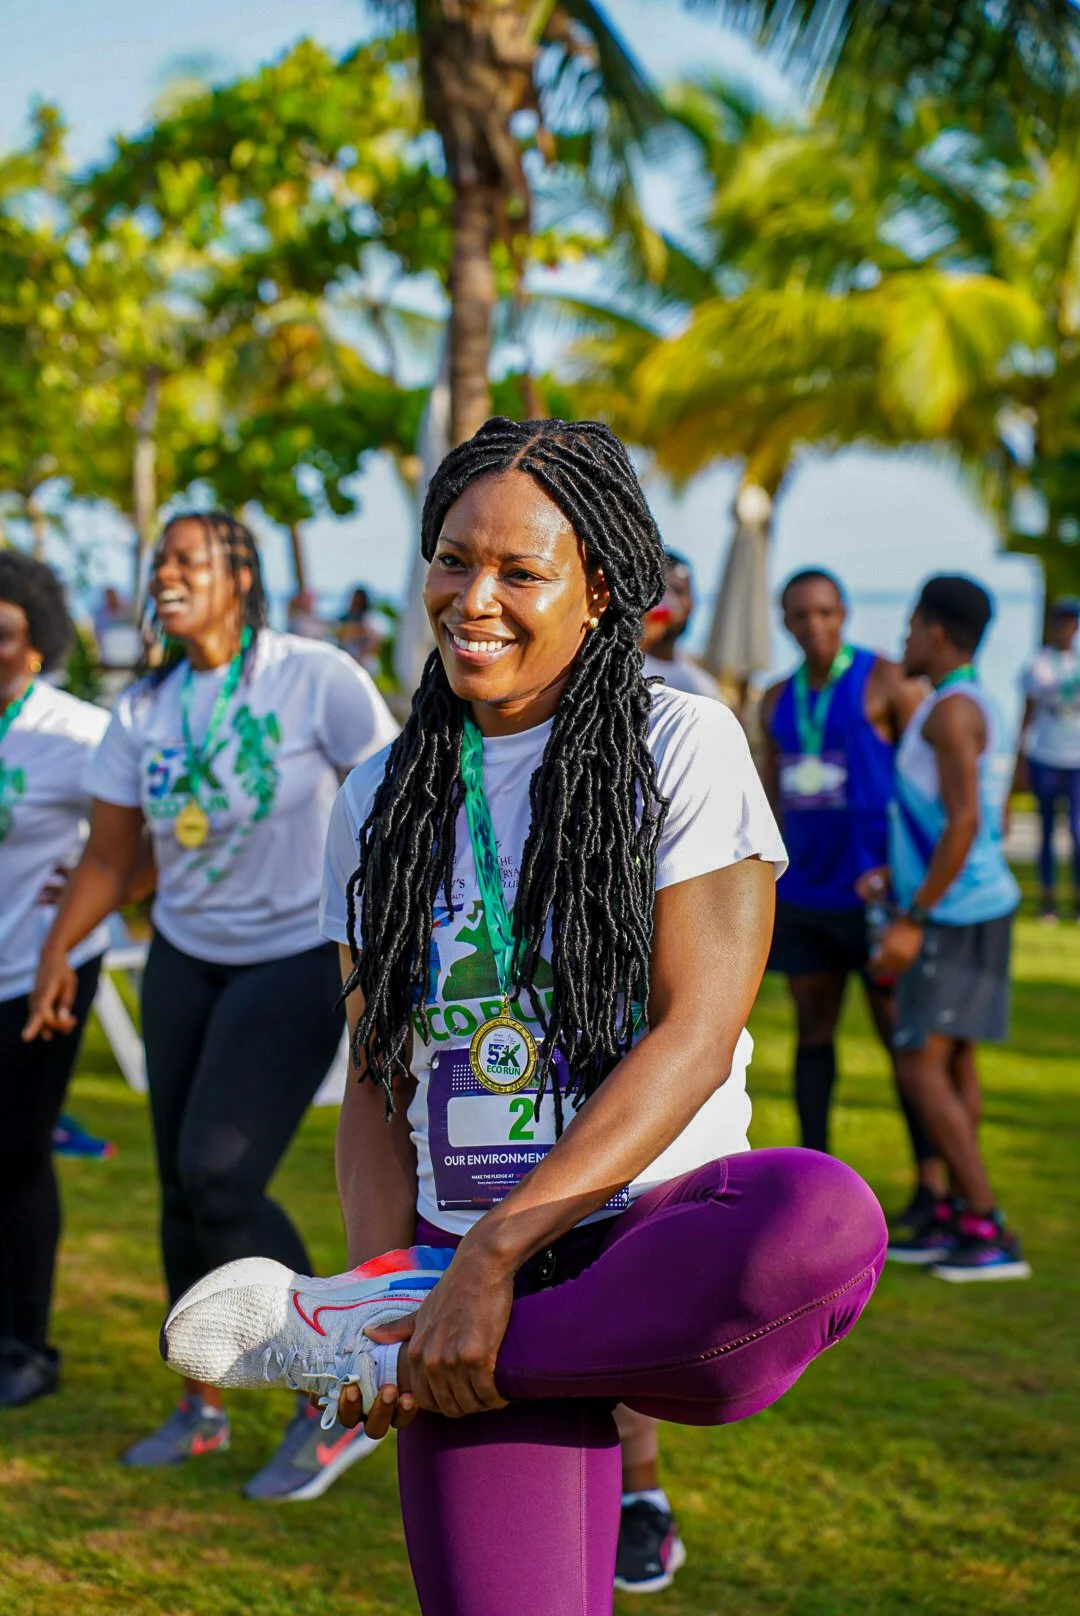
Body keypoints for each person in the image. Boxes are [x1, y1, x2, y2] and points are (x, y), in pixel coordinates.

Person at [160, 420, 888, 1616]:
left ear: (601, 588)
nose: (473, 598)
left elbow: (696, 1035)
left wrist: (492, 1266)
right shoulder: (378, 795)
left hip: (646, 1231)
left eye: (520, 571)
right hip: (449, 1262)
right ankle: (385, 1324)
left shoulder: (682, 741)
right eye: (453, 560)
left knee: (821, 1218)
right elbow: (379, 1082)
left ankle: (393, 1337)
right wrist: (398, 1268)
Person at [26, 512, 400, 1496]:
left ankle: (342, 1386)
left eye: (187, 558)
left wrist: (385, 944)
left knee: (221, 1176)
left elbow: (398, 796)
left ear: (241, 574)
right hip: (184, 960)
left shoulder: (311, 675)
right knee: (180, 1192)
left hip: (290, 957)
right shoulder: (145, 707)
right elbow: (112, 856)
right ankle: (204, 1402)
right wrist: (60, 947)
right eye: (160, 560)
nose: (166, 573)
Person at [760, 570, 943, 1232]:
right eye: (801, 615)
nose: (814, 625)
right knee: (814, 1033)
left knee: (902, 1040)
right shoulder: (776, 698)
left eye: (825, 612)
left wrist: (913, 878)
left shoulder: (887, 679)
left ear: (844, 614)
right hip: (806, 893)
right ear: (785, 621)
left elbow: (929, 779)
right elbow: (768, 798)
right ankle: (814, 1186)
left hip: (875, 895)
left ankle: (930, 1184)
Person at [867, 575, 1028, 1280]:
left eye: (909, 625)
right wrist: (892, 878)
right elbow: (946, 818)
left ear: (935, 632)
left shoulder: (949, 713)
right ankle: (957, 1214)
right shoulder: (964, 704)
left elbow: (964, 822)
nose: (902, 638)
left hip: (954, 914)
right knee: (954, 1063)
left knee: (919, 1064)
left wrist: (913, 915)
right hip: (969, 905)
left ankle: (988, 1227)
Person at [0, 553, 111, 1409]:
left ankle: (26, 1346)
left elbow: (130, 840)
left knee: (20, 1154)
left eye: (4, 635)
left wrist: (77, 886)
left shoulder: (75, 733)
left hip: (40, 974)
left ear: (37, 647)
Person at [1014, 595, 1080, 922]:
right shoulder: (1039, 664)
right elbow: (1026, 712)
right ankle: (1048, 901)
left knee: (1078, 831)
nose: (1067, 628)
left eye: (1072, 621)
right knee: (1047, 832)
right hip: (1045, 755)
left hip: (1076, 759)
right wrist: (1020, 758)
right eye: (1062, 621)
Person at [640, 550, 724, 700]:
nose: (673, 604)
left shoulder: (701, 688)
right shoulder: (622, 672)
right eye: (662, 593)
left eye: (680, 592)